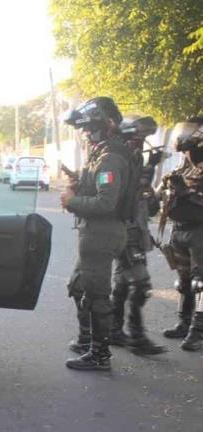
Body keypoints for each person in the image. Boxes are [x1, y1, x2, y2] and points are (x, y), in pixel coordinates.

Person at [62, 97, 131, 371]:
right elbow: (97, 189)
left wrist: (72, 201)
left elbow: (106, 203)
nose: (86, 134)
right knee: (79, 285)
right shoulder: (102, 154)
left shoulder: (111, 158)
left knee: (96, 295)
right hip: (94, 232)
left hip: (103, 233)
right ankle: (87, 339)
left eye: (90, 129)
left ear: (104, 126)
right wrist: (79, 184)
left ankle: (100, 354)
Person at [107, 115, 166, 355]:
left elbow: (146, 200)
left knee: (123, 282)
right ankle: (137, 337)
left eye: (144, 139)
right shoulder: (119, 159)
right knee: (141, 284)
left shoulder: (132, 157)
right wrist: (150, 169)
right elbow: (130, 192)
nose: (142, 142)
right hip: (127, 229)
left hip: (135, 227)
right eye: (138, 138)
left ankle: (114, 330)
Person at [158, 116, 203, 350]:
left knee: (201, 284)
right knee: (184, 282)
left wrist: (186, 192)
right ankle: (184, 323)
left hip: (199, 232)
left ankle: (198, 329)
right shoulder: (184, 165)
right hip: (180, 229)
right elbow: (161, 196)